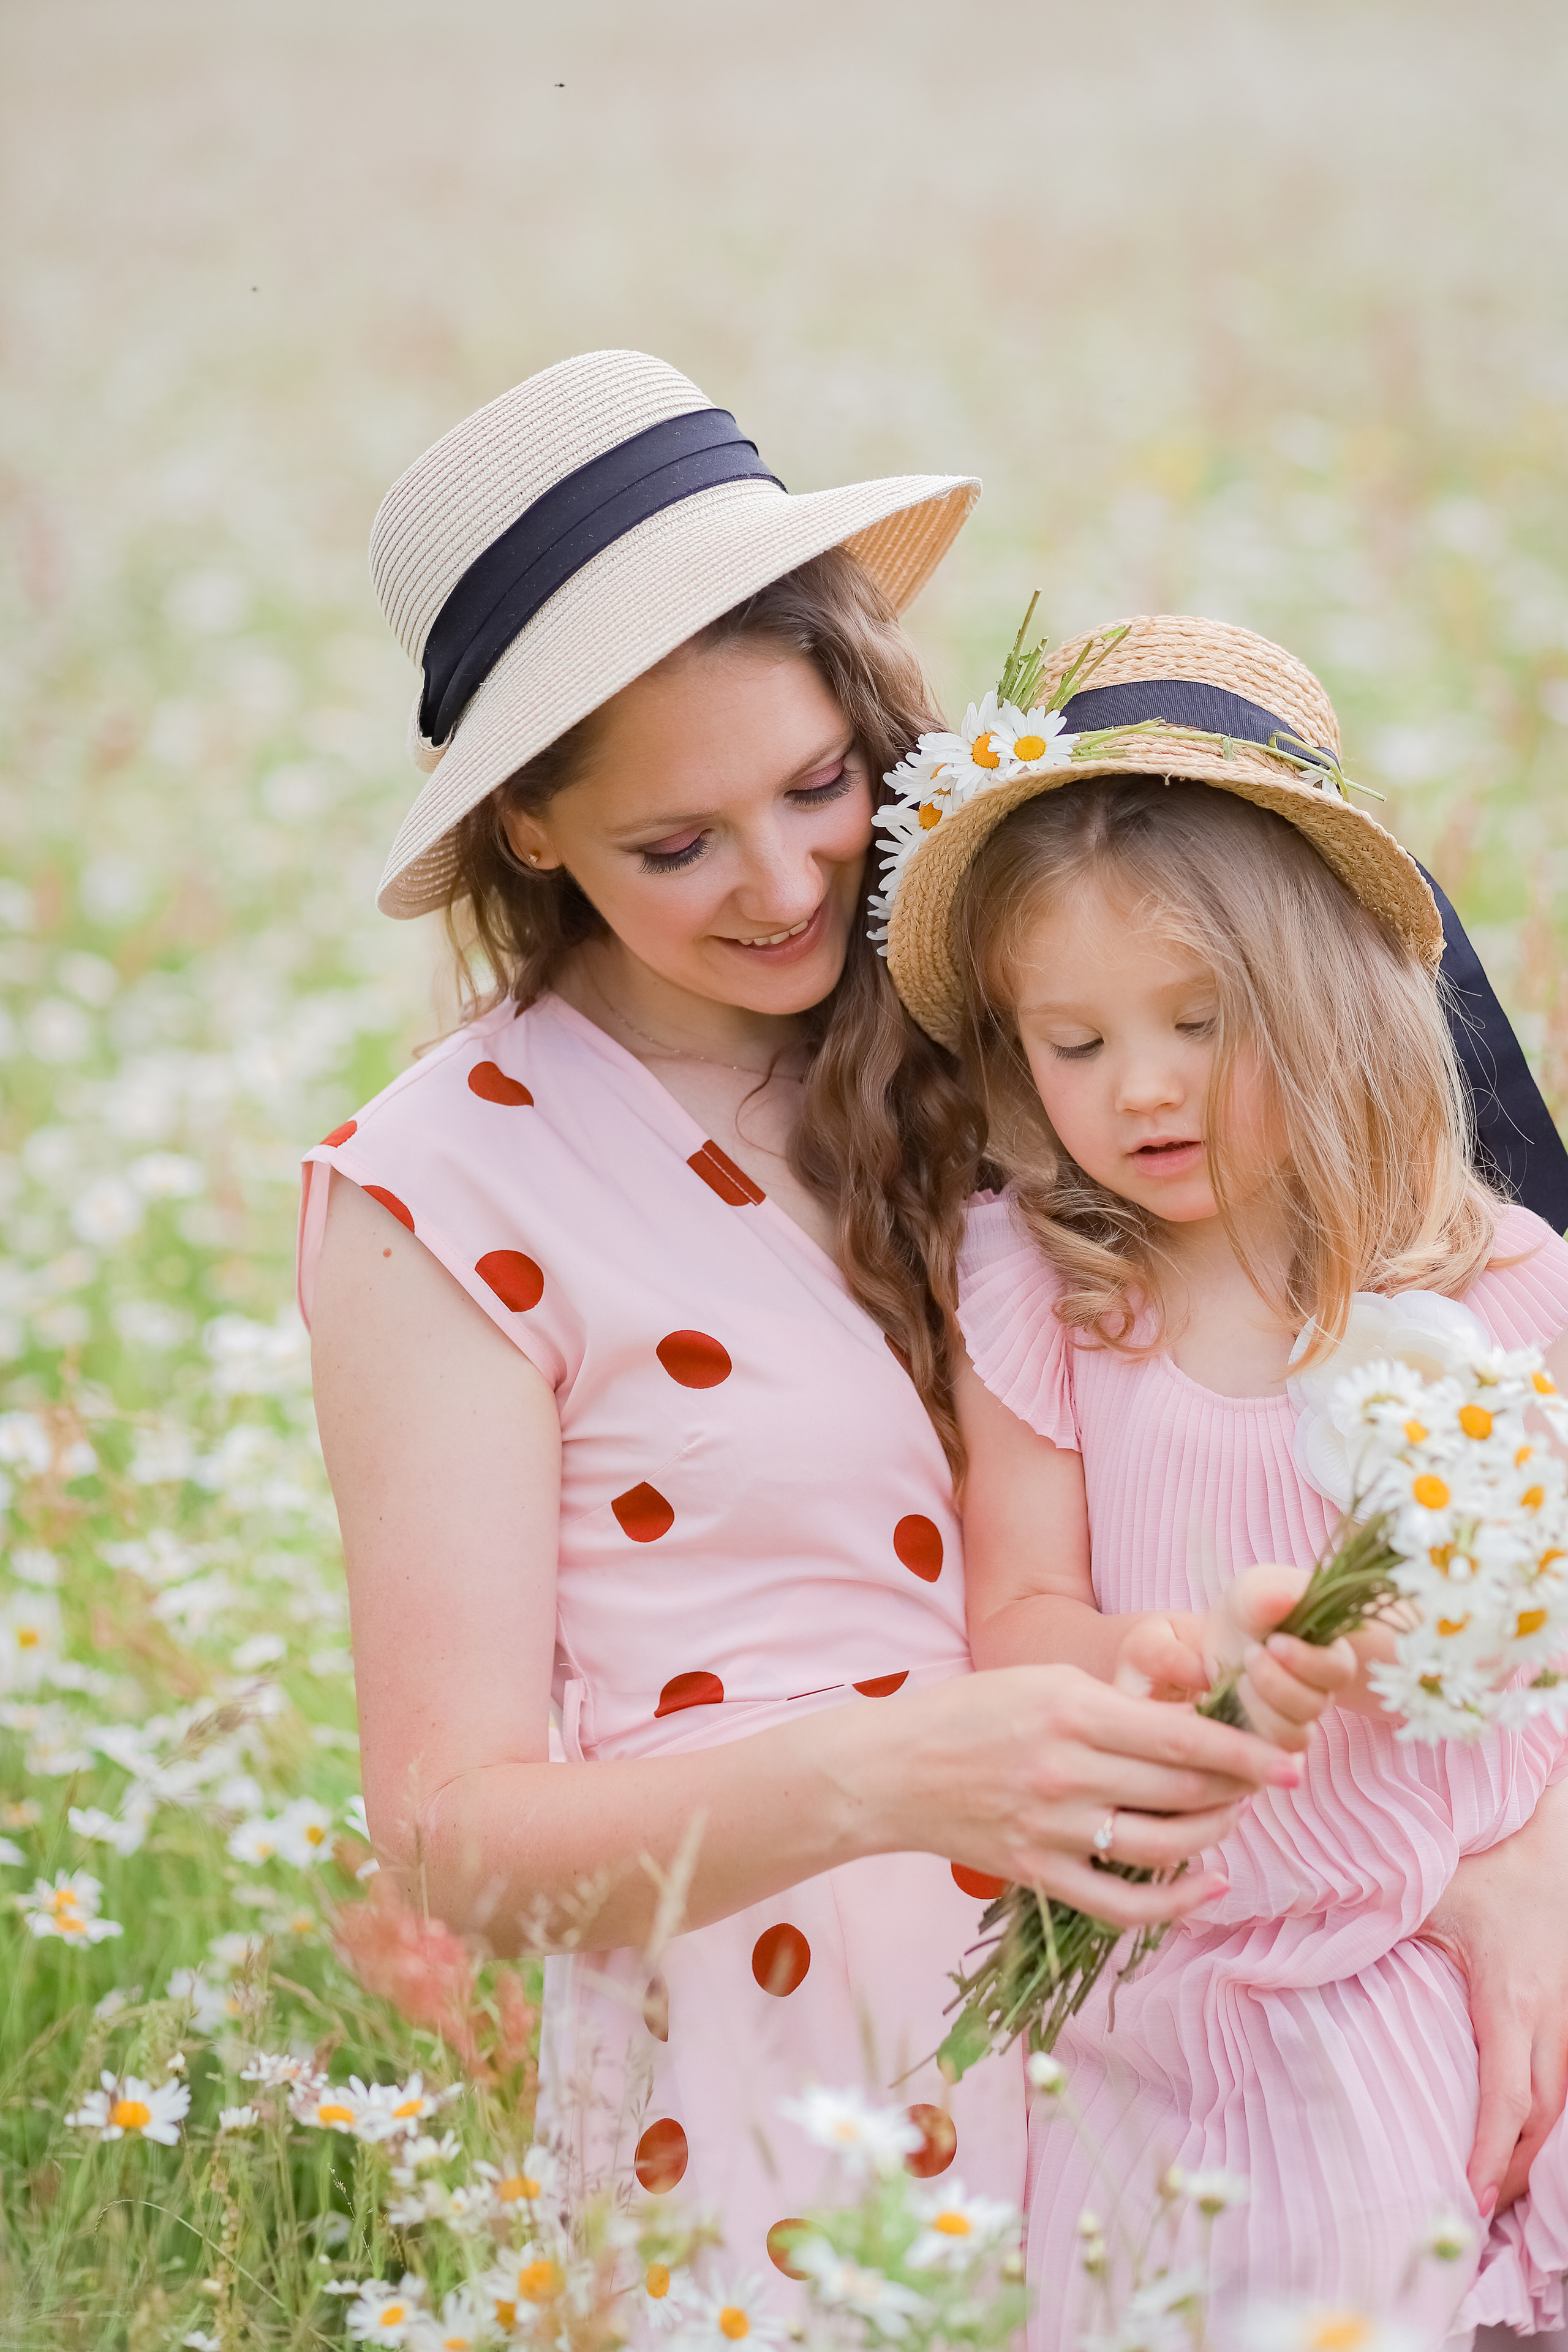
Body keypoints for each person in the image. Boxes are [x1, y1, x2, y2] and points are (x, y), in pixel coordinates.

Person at [300, 351, 1568, 2306]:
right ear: (535, 837)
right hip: (789, 2108)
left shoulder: (1034, 1021)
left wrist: (1514, 1858)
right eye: (677, 846)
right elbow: (453, 1835)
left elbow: (1468, 1381)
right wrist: (893, 1777)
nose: (790, 877)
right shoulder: (446, 1191)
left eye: (818, 786)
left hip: (1218, 2031)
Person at [872, 609, 1568, 2339]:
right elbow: (1019, 1611)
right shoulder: (1050, 1289)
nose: (1144, 1090)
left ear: (1326, 998)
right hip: (1187, 1956)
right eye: (1078, 1043)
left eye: (1200, 1020)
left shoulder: (1495, 1289)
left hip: (1439, 1915)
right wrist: (1177, 1672)